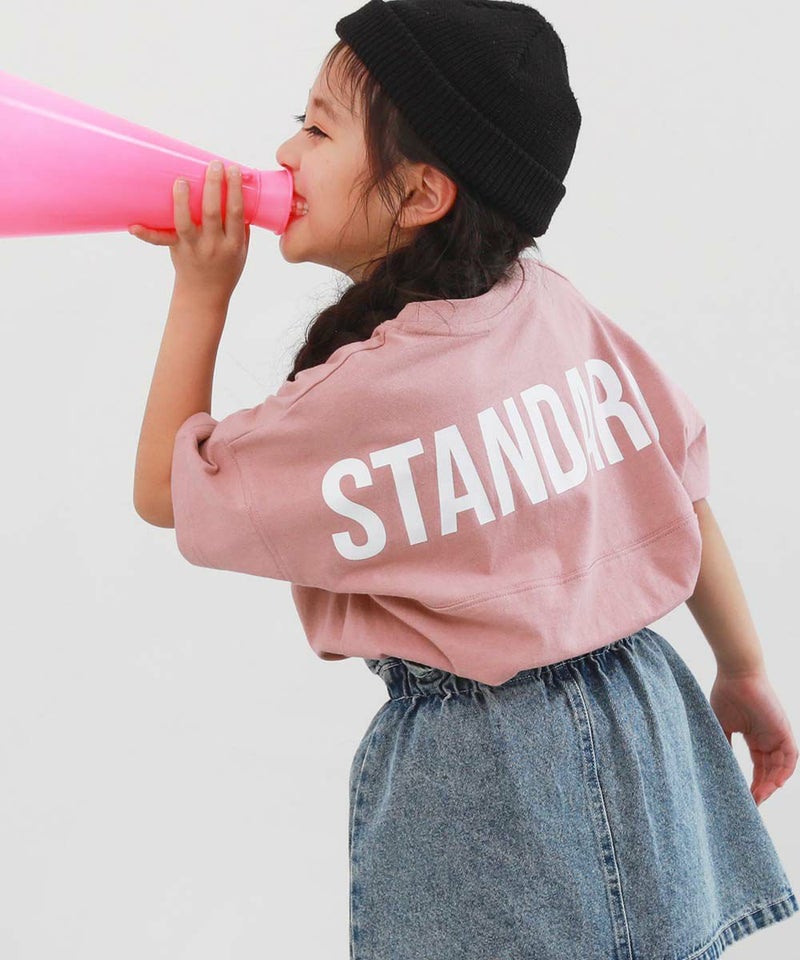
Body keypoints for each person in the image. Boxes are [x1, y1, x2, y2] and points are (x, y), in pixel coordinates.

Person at [130, 1, 799, 957]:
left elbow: (167, 492)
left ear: (421, 194)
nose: (284, 152)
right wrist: (743, 667)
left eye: (318, 128)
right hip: (644, 716)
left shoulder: (364, 394)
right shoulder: (551, 307)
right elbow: (677, 485)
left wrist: (201, 291)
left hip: (484, 774)